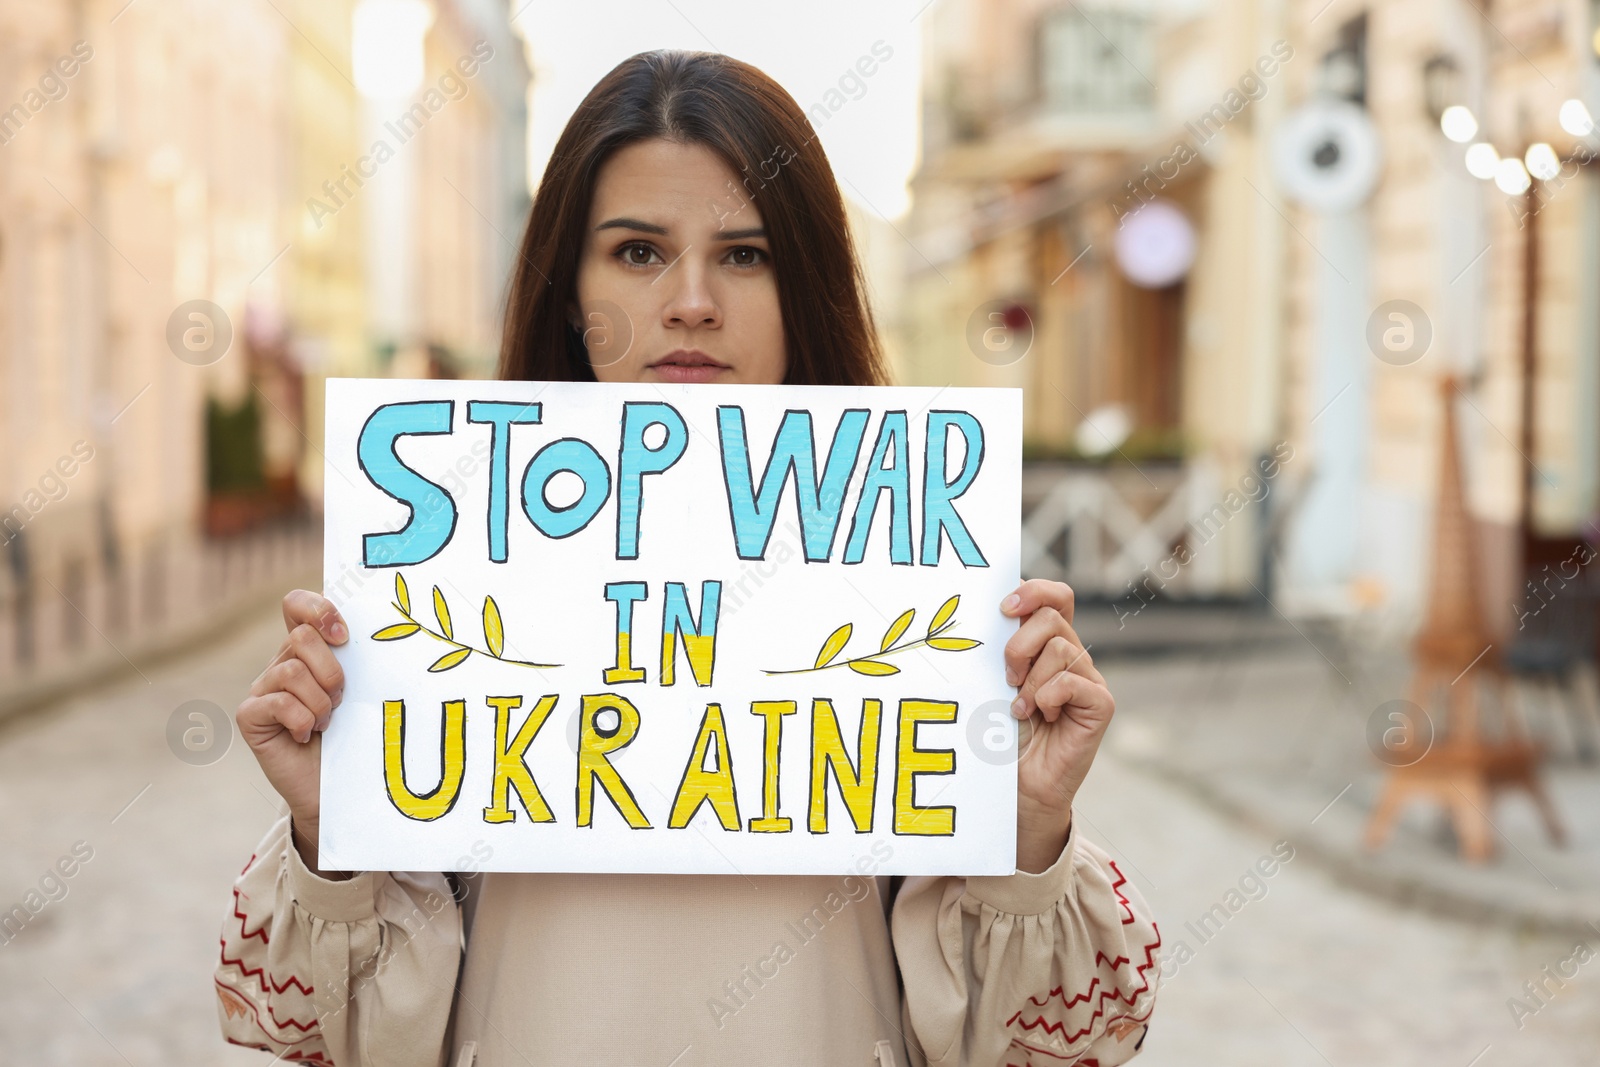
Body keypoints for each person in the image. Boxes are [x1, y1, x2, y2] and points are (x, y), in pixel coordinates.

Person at [217, 49, 1159, 1067]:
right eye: (636, 251)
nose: (692, 300)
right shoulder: (441, 577)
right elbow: (350, 1034)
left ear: (806, 287)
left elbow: (1026, 1046)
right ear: (569, 291)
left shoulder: (915, 583)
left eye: (746, 254)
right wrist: (332, 824)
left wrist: (1021, 825)